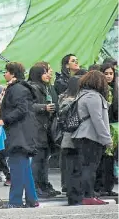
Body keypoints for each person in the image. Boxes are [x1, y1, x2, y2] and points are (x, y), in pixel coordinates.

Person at [0, 62, 38, 209]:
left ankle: (15, 201)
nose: (4, 74)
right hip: (22, 133)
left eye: (6, 71)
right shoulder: (20, 88)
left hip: (18, 134)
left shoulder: (17, 89)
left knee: (17, 169)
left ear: (12, 73)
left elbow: (21, 109)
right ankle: (32, 199)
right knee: (24, 168)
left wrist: (4, 119)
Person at [69, 70, 113, 205]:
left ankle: (85, 195)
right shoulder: (93, 97)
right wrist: (107, 139)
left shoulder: (82, 95)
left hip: (82, 135)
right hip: (90, 136)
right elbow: (98, 120)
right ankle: (88, 195)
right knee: (90, 167)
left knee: (84, 167)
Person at [27, 64, 60, 198]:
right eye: (45, 72)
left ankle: (44, 184)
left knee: (44, 159)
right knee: (37, 159)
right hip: (36, 128)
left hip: (45, 128)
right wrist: (44, 107)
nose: (48, 75)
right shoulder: (32, 87)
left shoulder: (46, 88)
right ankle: (36, 186)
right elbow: (29, 106)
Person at [95, 63, 118, 197]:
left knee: (110, 158)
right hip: (103, 128)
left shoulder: (114, 88)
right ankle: (100, 186)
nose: (109, 76)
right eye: (106, 73)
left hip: (113, 128)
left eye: (111, 73)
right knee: (102, 158)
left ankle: (107, 186)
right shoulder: (100, 90)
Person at [59, 76, 82, 204]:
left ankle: (69, 190)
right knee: (74, 167)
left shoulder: (63, 99)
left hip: (66, 139)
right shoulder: (73, 101)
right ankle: (73, 193)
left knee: (69, 167)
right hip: (72, 138)